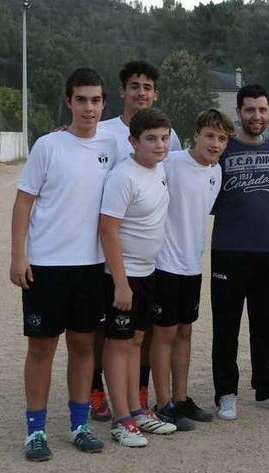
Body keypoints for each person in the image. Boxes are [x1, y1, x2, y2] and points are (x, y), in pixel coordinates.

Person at [12, 68, 115, 461]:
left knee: (84, 345)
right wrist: (17, 255)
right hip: (47, 264)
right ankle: (35, 431)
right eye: (81, 99)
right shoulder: (48, 146)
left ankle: (79, 425)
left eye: (95, 100)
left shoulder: (112, 147)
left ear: (104, 103)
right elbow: (24, 201)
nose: (88, 107)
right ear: (68, 101)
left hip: (90, 266)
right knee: (41, 348)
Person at [91, 60, 183, 420]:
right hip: (108, 249)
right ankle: (101, 395)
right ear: (123, 91)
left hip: (148, 260)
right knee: (108, 335)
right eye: (134, 86)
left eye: (147, 86)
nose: (141, 91)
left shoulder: (166, 138)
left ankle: (136, 399)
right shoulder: (103, 131)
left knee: (137, 337)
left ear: (155, 93)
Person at [211, 84, 269, 420]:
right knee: (226, 326)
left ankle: (267, 388)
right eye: (250, 110)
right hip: (228, 249)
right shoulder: (222, 148)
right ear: (239, 113)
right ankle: (226, 393)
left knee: (267, 324)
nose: (257, 116)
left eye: (262, 110)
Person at [151, 109, 234, 430]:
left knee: (185, 332)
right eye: (210, 136)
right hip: (164, 264)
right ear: (196, 135)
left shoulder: (216, 172)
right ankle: (162, 404)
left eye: (222, 138)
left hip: (191, 265)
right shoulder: (170, 164)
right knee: (165, 334)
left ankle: (181, 399)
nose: (215, 143)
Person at [100, 108, 176, 447]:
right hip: (123, 275)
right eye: (151, 139)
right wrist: (120, 282)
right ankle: (121, 419)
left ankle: (136, 408)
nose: (160, 145)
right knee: (118, 345)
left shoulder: (160, 170)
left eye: (164, 138)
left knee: (135, 343)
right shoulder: (123, 176)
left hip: (148, 273)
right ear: (133, 141)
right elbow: (108, 230)